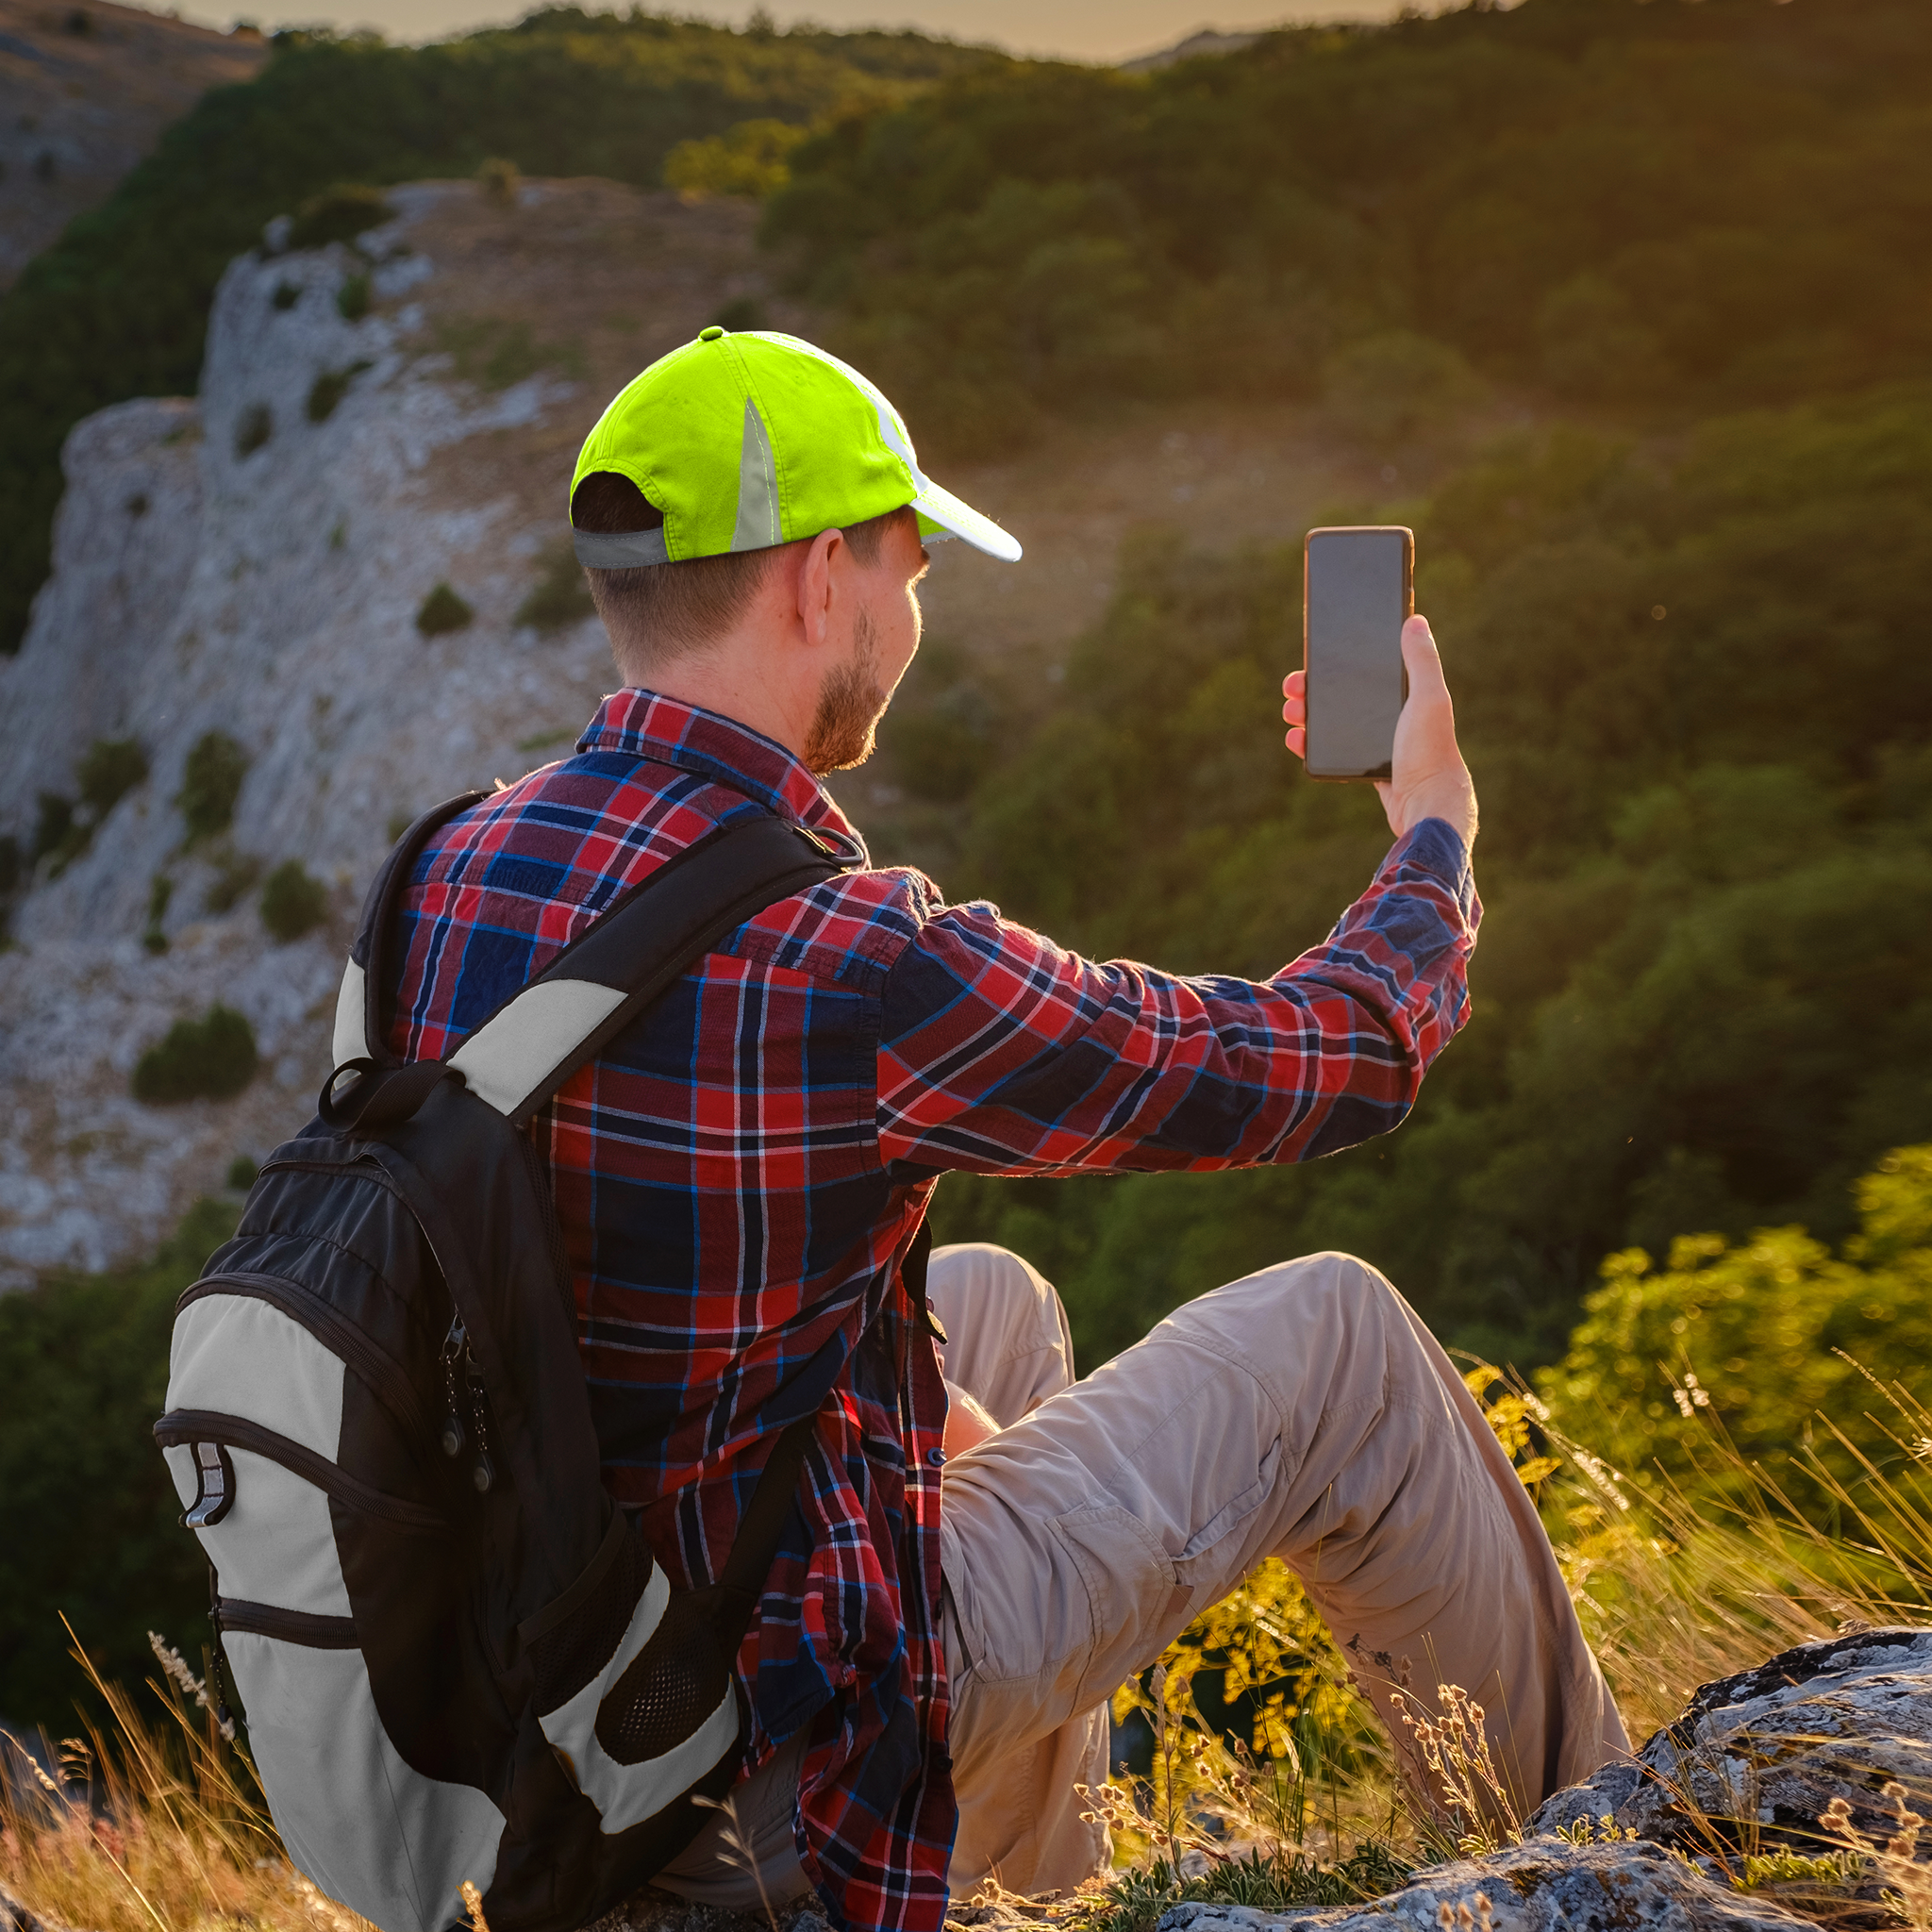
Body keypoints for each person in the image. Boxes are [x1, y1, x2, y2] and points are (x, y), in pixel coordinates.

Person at [381, 326, 1627, 1932]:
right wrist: (1435, 832)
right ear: (822, 578)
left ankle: (1024, 1903)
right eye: (910, 567)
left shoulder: (442, 871)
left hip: (542, 1702)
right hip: (772, 1749)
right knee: (1341, 1338)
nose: (911, 615)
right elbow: (1320, 1057)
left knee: (990, 1303)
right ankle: (1609, 1863)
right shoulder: (846, 953)